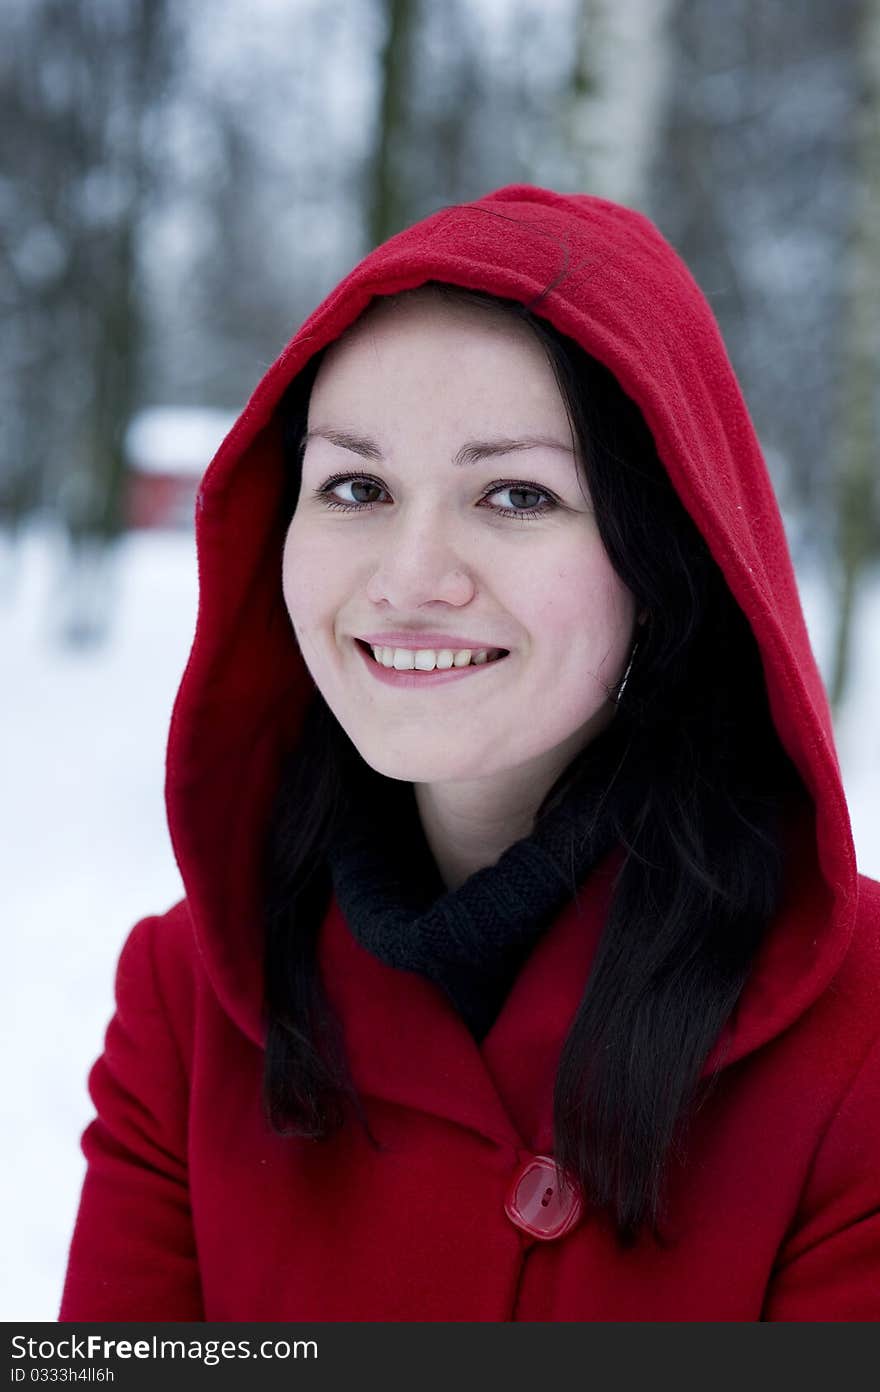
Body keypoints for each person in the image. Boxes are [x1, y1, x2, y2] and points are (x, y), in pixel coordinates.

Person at [59, 183, 880, 1322]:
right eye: (355, 486)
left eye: (513, 494)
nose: (408, 577)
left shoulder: (861, 1035)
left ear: (660, 560)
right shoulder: (188, 1000)